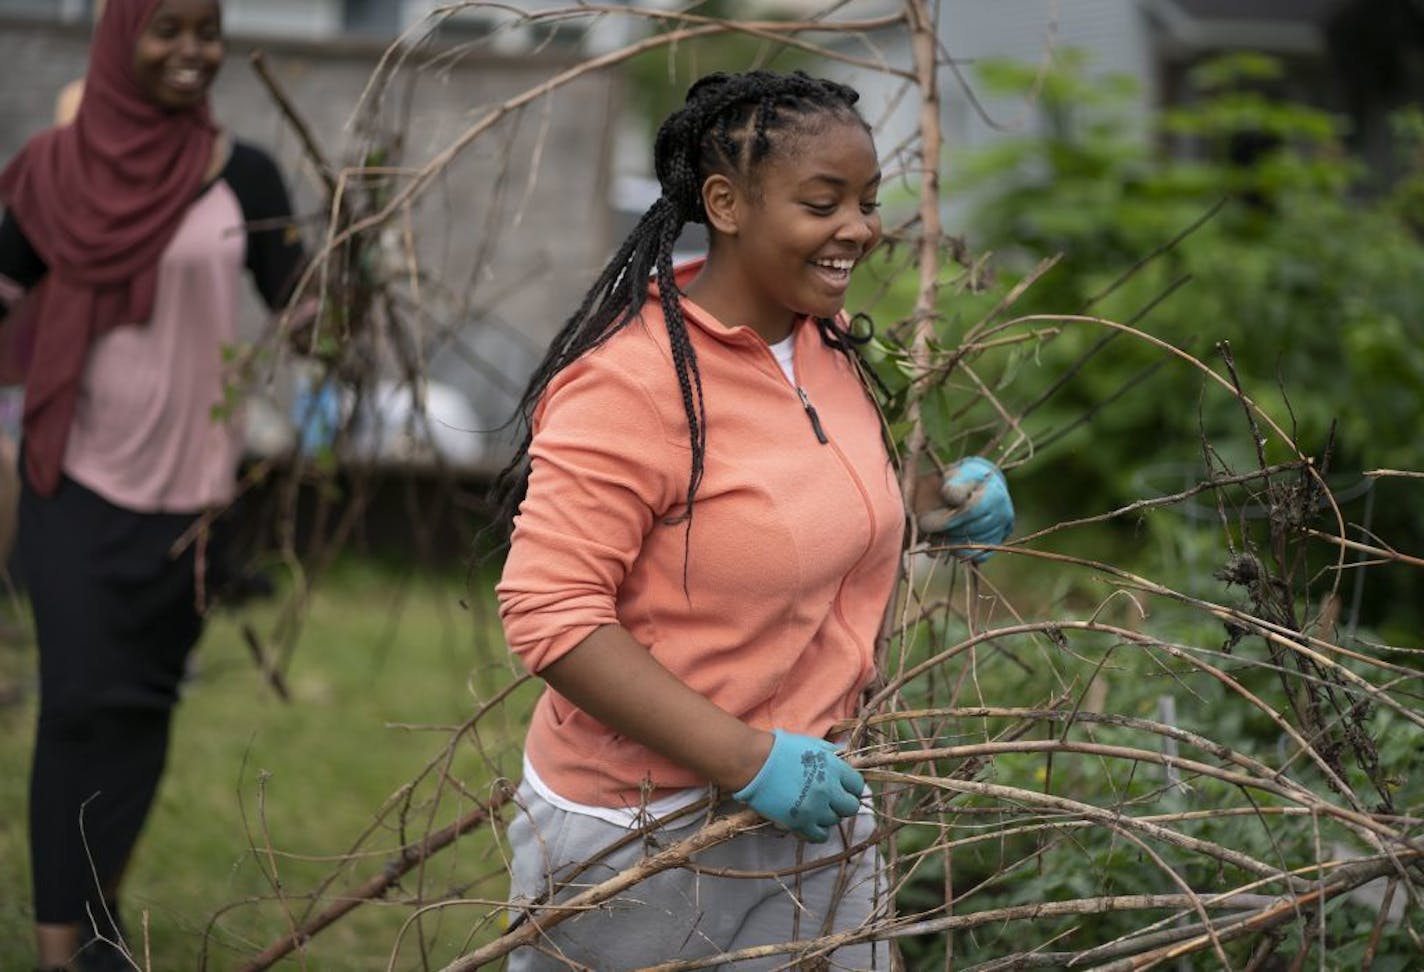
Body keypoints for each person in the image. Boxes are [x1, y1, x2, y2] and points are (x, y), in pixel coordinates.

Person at [495, 69, 1014, 970]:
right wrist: (746, 759)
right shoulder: (631, 382)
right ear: (727, 203)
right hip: (644, 832)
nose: (859, 228)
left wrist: (931, 503)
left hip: (822, 798)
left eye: (867, 200)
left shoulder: (829, 340)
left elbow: (805, 499)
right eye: (824, 202)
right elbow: (553, 614)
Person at [0, 1, 306, 968]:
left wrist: (351, 262)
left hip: (195, 501)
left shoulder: (243, 173)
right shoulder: (56, 173)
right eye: (164, 28)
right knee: (80, 707)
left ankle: (96, 919)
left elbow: (297, 305)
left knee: (140, 711)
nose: (193, 50)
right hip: (77, 480)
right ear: (117, 39)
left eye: (205, 29)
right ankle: (64, 947)